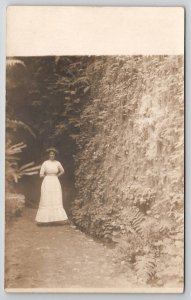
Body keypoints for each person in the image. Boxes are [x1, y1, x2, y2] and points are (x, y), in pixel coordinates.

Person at [35, 147, 68, 224]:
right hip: (47, 182)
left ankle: (56, 219)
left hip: (55, 182)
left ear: (55, 155)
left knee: (56, 197)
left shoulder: (57, 163)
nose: (52, 155)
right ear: (48, 155)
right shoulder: (45, 163)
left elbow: (62, 171)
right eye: (50, 154)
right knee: (47, 198)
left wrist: (56, 176)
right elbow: (41, 174)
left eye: (53, 154)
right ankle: (45, 219)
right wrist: (47, 177)